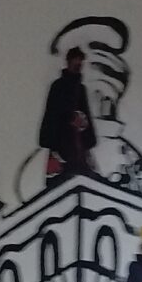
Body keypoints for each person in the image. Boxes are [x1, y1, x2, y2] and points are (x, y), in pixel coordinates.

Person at [38, 43, 97, 181]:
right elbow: (52, 114)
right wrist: (69, 119)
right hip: (61, 141)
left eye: (80, 63)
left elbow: (85, 114)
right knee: (60, 180)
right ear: (69, 62)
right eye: (76, 61)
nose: (78, 65)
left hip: (78, 142)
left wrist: (84, 130)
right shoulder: (58, 86)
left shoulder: (80, 89)